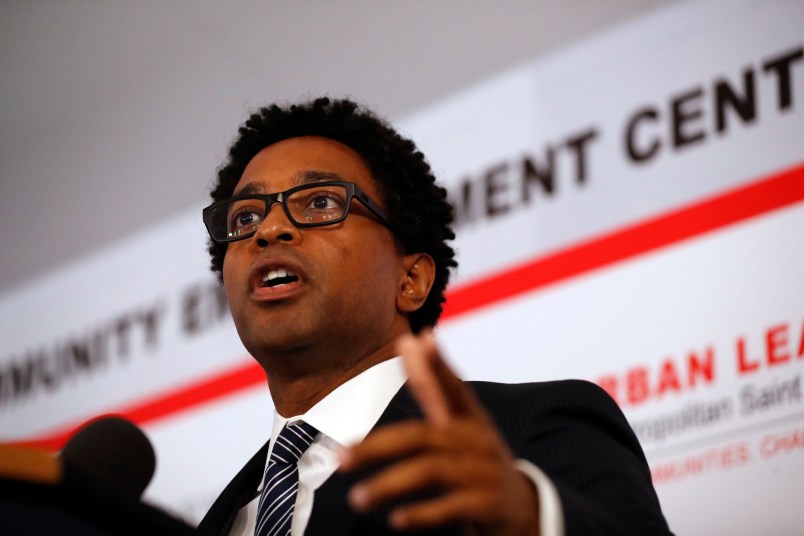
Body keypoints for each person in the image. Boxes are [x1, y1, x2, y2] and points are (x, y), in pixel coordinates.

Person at [198, 97, 672, 535]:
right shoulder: (227, 517)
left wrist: (531, 517)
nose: (269, 229)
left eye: (320, 203)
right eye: (244, 218)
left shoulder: (529, 431)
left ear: (411, 281)